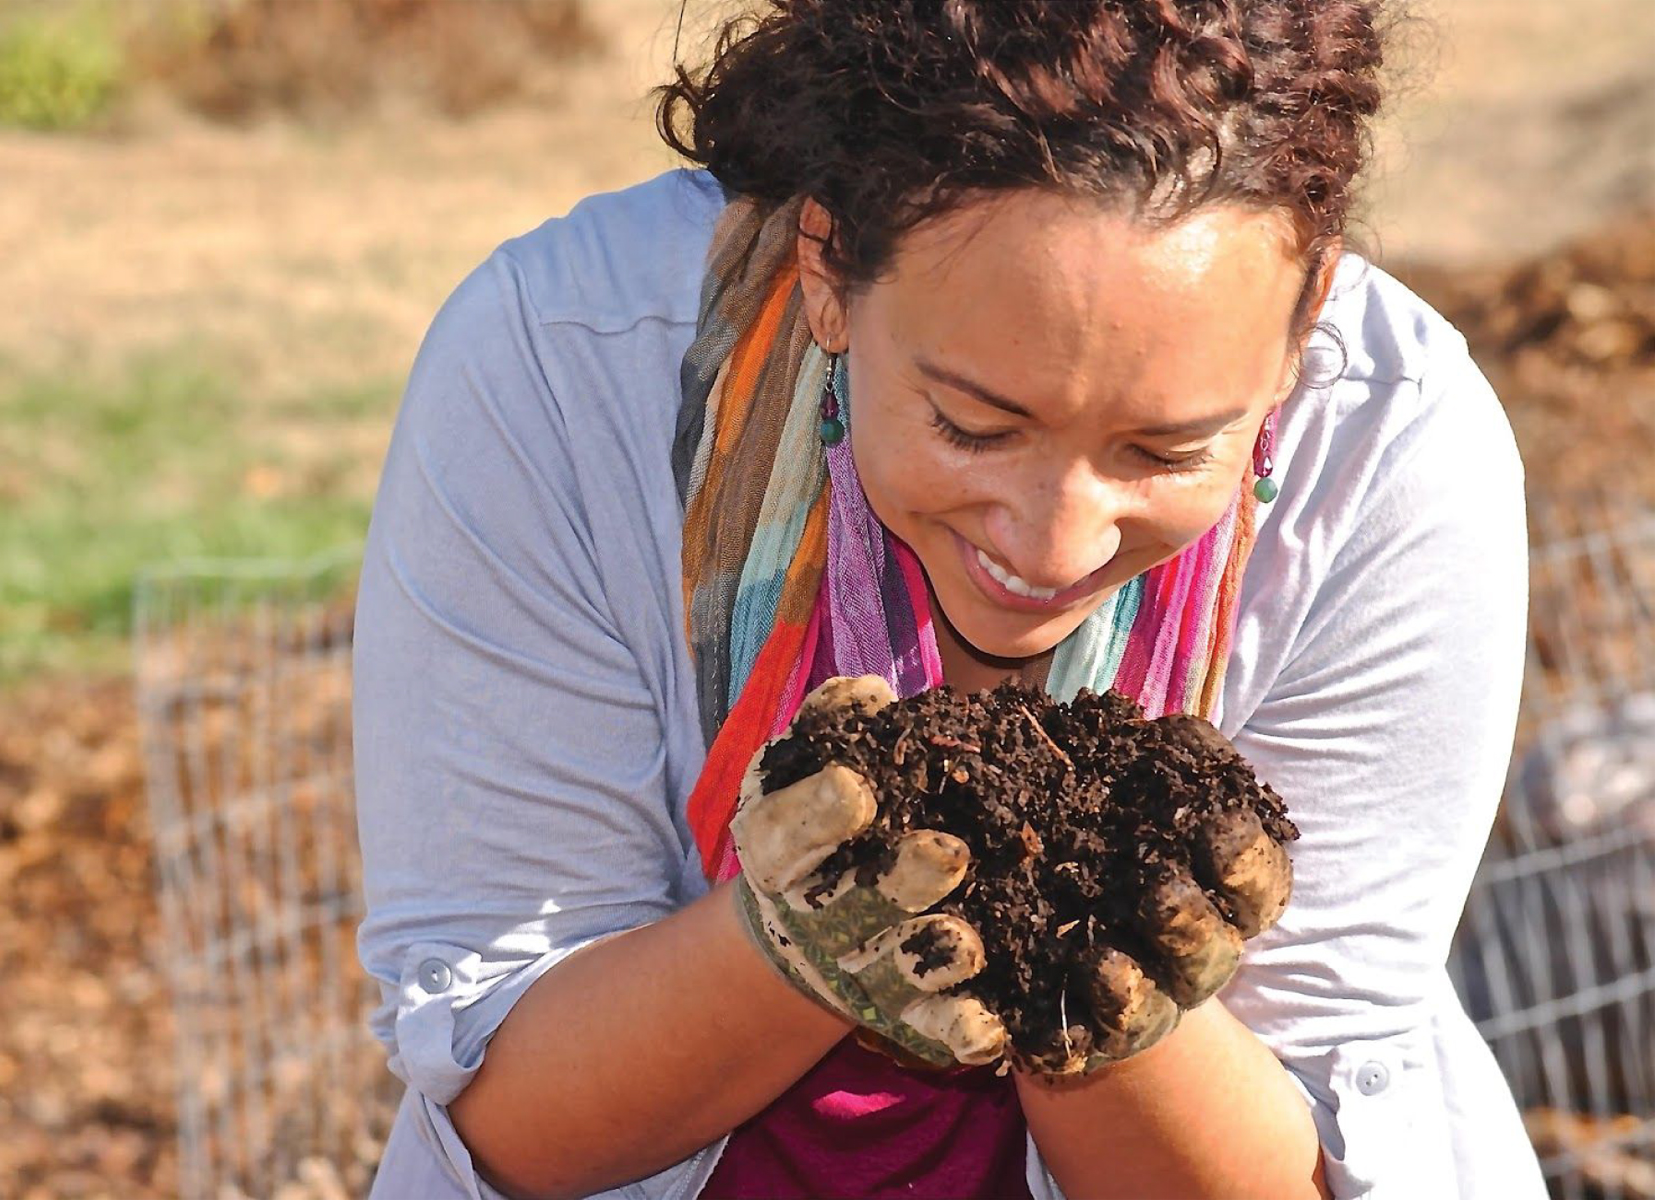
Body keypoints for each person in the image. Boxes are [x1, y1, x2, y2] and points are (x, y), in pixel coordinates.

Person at [351, 2, 1546, 1197]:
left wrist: (1105, 993)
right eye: (975, 425)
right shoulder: (565, 367)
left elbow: (1300, 1160)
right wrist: (787, 949)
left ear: (1301, 328)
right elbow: (513, 1123)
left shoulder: (1391, 451)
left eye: (1166, 451)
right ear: (827, 267)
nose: (1054, 541)